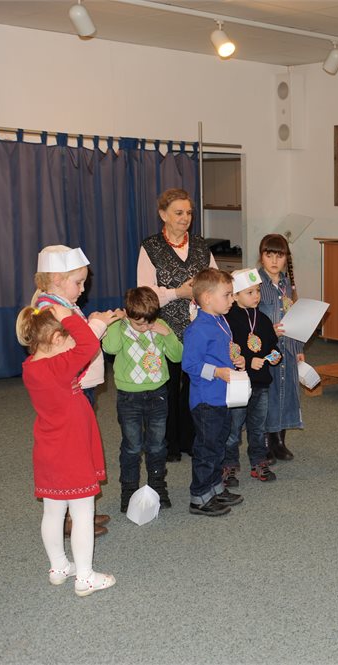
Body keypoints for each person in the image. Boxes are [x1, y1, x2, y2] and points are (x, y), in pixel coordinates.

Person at [17, 302, 115, 597]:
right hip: (70, 450)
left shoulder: (31, 366)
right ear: (56, 339)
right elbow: (88, 345)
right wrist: (69, 318)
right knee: (83, 512)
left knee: (53, 511)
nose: (72, 341)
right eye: (67, 337)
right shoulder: (58, 367)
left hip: (49, 450)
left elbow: (80, 347)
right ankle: (85, 577)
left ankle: (59, 567)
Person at [29, 245, 121, 537]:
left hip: (80, 387)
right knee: (73, 455)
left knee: (82, 449)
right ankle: (72, 515)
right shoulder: (50, 309)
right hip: (72, 390)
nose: (83, 289)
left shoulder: (62, 302)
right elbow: (75, 350)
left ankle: (81, 508)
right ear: (57, 278)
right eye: (78, 282)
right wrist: (97, 325)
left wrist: (91, 321)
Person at [138, 188, 218, 463]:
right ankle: (168, 443)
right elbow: (145, 292)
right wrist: (177, 293)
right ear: (163, 215)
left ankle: (190, 438)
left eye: (189, 213)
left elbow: (215, 281)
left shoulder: (201, 246)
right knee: (168, 388)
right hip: (165, 329)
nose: (185, 218)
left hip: (199, 328)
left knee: (196, 384)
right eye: (179, 213)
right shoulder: (150, 247)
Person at [101, 286, 183, 513]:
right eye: (139, 324)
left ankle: (158, 487)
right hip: (129, 398)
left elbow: (177, 356)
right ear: (128, 314)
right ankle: (129, 491)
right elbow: (110, 347)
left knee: (157, 445)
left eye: (150, 322)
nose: (146, 327)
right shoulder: (121, 327)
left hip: (158, 395)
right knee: (132, 446)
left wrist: (167, 334)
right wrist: (115, 322)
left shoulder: (160, 326)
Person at [181, 268, 245, 517]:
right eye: (227, 295)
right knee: (207, 449)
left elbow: (223, 350)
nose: (232, 300)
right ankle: (199, 497)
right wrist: (217, 371)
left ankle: (215, 487)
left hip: (222, 397)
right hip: (206, 400)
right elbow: (190, 364)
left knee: (218, 445)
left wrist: (236, 359)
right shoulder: (198, 328)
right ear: (207, 298)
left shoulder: (220, 320)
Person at [224, 268, 282, 485]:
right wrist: (248, 362)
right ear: (235, 295)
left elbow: (272, 346)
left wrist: (275, 356)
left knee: (258, 427)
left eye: (257, 291)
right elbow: (228, 350)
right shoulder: (228, 319)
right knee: (233, 428)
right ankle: (228, 465)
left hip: (260, 383)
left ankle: (258, 461)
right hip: (239, 382)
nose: (256, 296)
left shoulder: (263, 319)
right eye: (249, 292)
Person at [257, 234, 303, 463]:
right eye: (269, 255)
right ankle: (265, 442)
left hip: (288, 348)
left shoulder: (287, 284)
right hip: (266, 350)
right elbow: (250, 319)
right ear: (261, 256)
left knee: (286, 394)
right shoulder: (256, 284)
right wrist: (268, 332)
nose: (274, 260)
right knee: (269, 395)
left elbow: (297, 319)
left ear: (286, 258)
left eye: (279, 255)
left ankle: (279, 441)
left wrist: (299, 348)